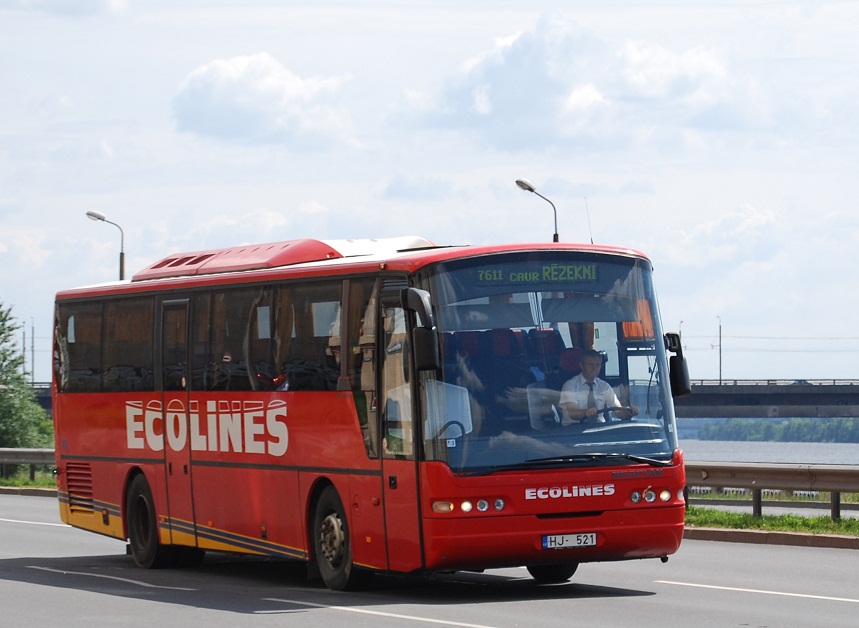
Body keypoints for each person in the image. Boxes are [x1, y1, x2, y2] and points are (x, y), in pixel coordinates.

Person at [559, 349, 639, 424]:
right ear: (581, 365)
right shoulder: (570, 385)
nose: (594, 369)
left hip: (599, 432)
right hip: (572, 433)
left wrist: (630, 411)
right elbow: (573, 412)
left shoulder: (604, 386)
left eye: (597, 365)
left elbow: (618, 411)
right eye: (591, 365)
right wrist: (586, 412)